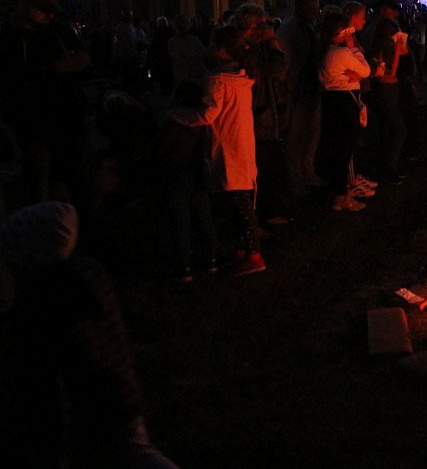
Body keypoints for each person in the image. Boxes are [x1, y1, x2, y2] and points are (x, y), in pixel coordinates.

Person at [0, 202, 180, 468]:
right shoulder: (86, 277)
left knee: (136, 456)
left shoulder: (48, 304)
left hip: (93, 410)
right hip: (120, 398)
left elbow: (49, 377)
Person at [0, 0, 91, 204]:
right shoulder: (10, 38)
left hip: (68, 118)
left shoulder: (58, 30)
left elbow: (85, 61)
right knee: (40, 184)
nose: (48, 14)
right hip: (32, 123)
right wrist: (53, 68)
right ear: (23, 6)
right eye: (42, 8)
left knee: (75, 181)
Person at [199, 26, 264, 275]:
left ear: (221, 49)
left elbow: (208, 115)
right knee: (241, 202)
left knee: (240, 207)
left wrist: (179, 117)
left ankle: (254, 254)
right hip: (243, 145)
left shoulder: (218, 81)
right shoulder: (242, 78)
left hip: (228, 149)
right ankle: (241, 250)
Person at [151, 79, 219, 282]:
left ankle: (185, 266)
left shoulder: (173, 122)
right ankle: (211, 260)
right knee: (204, 217)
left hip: (177, 175)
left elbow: (160, 150)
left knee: (181, 221)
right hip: (198, 173)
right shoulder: (202, 124)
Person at [231, 3, 288, 226]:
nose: (267, 28)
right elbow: (276, 68)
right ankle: (258, 218)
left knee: (269, 166)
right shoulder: (243, 50)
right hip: (255, 117)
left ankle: (266, 212)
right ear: (251, 25)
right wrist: (273, 42)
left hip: (264, 114)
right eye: (262, 25)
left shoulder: (254, 48)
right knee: (260, 169)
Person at [317, 3, 375, 212]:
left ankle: (340, 193)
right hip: (344, 103)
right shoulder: (340, 53)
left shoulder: (327, 51)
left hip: (334, 101)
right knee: (344, 150)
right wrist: (352, 48)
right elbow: (366, 70)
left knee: (339, 149)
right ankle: (342, 196)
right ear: (341, 32)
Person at [277, 0, 322, 197]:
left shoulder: (307, 28)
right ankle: (296, 181)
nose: (315, 12)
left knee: (311, 135)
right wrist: (285, 93)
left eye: (316, 8)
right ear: (299, 7)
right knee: (296, 138)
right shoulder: (289, 30)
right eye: (311, 9)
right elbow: (285, 65)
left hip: (310, 89)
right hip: (297, 91)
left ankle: (308, 174)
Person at [368, 0, 412, 182]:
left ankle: (388, 165)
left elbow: (404, 52)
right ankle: (389, 169)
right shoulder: (381, 49)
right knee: (398, 129)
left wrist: (401, 46)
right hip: (385, 85)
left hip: (390, 84)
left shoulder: (389, 42)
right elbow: (385, 67)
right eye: (394, 33)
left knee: (388, 128)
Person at [167, 15, 207, 88]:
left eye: (184, 24)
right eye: (180, 25)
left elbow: (203, 52)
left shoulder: (194, 39)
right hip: (182, 73)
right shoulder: (172, 42)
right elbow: (175, 57)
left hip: (197, 72)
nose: (182, 27)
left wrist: (191, 57)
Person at [149, 16, 174, 95]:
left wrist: (153, 56)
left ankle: (164, 89)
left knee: (163, 73)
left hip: (161, 55)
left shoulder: (157, 31)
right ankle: (170, 88)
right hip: (169, 54)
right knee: (169, 72)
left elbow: (154, 44)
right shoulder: (170, 30)